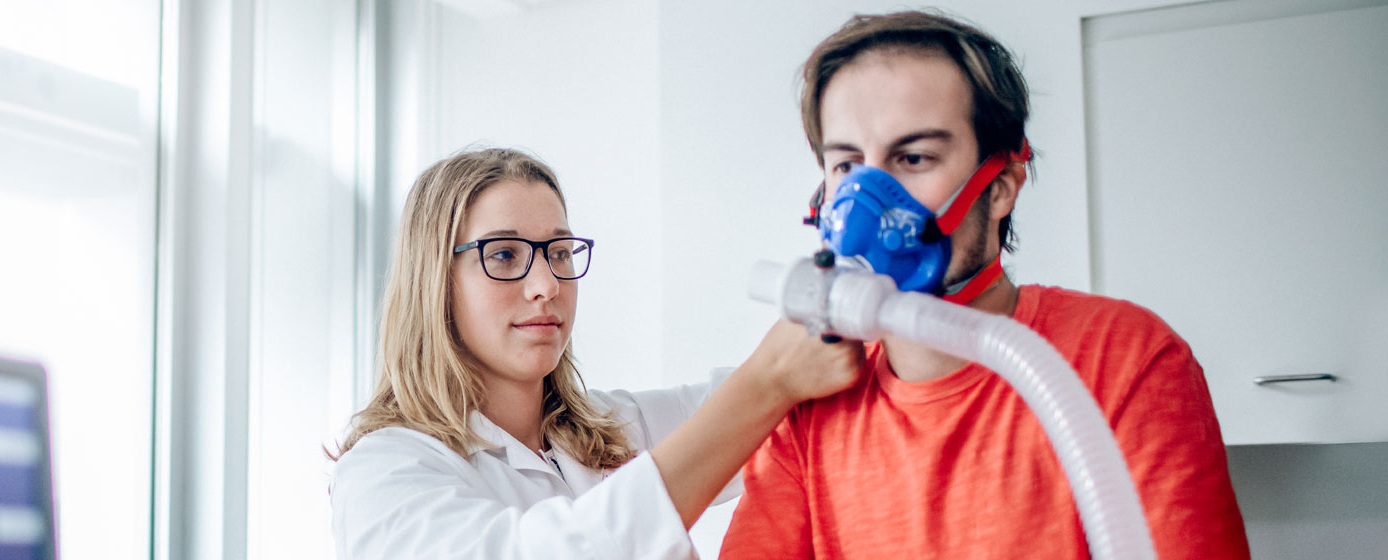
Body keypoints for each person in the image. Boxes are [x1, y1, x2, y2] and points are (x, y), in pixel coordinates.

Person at [717, 10, 1249, 559]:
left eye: (914, 157)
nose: (864, 206)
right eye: (847, 166)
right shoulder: (808, 404)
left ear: (999, 187)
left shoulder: (1124, 359)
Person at [329, 147, 862, 559]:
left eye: (559, 252)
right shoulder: (384, 472)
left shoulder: (611, 428)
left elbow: (772, 406)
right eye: (505, 254)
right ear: (434, 282)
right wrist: (766, 383)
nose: (546, 284)